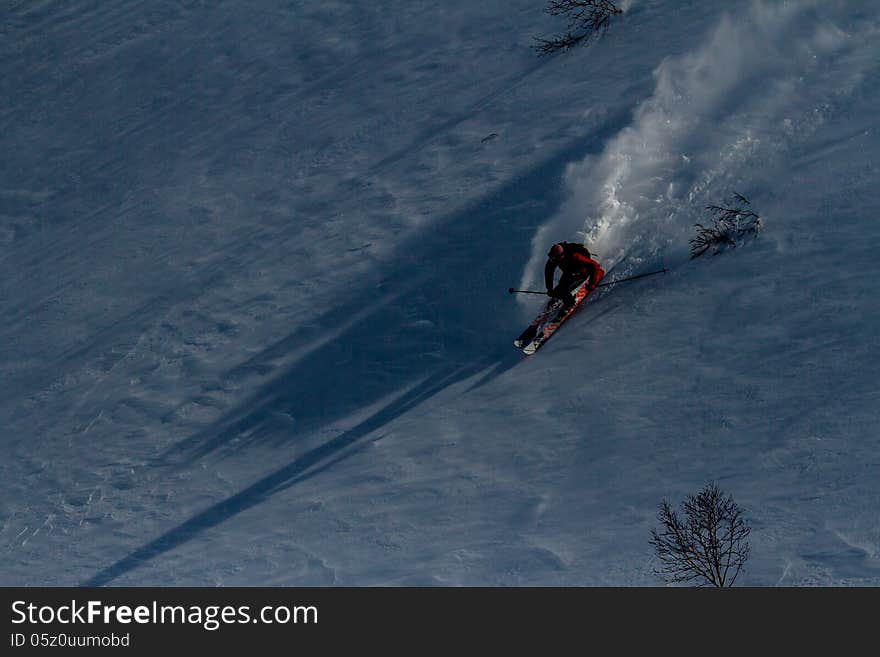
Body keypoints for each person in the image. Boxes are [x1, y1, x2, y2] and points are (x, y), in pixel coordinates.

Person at [544, 242, 604, 308]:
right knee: (558, 291)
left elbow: (595, 265)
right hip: (569, 271)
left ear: (562, 255)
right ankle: (558, 297)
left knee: (564, 290)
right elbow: (548, 272)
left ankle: (570, 304)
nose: (554, 259)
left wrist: (592, 283)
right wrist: (549, 288)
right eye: (553, 257)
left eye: (557, 257)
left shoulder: (574, 255)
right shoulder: (553, 258)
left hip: (583, 271)